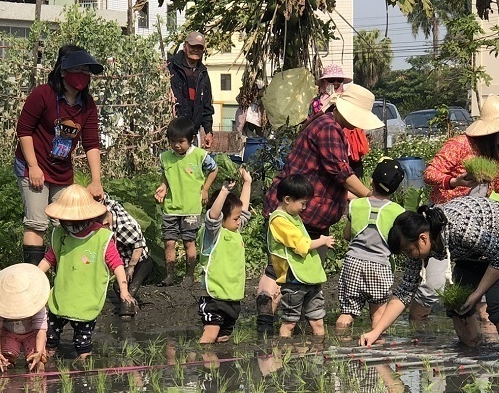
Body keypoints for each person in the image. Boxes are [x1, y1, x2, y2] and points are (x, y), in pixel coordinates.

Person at [260, 83, 381, 331]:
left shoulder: (330, 125)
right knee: (281, 269)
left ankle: (288, 325)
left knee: (299, 270)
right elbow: (340, 171)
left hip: (308, 213)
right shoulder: (328, 127)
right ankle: (266, 326)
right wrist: (372, 197)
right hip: (295, 209)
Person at [361, 199, 499, 349]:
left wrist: (477, 293)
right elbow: (405, 291)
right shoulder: (420, 246)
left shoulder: (459, 227)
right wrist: (376, 332)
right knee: (458, 304)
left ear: (423, 238)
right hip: (471, 255)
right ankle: (474, 350)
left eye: (409, 251)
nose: (410, 256)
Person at [15, 46, 106, 265]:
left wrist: (96, 181)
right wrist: (34, 167)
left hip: (61, 169)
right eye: (77, 69)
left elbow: (91, 143)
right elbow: (24, 131)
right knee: (37, 222)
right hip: (33, 165)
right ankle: (33, 280)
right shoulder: (43, 95)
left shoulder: (87, 104)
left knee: (66, 221)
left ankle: (61, 276)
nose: (82, 76)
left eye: (86, 71)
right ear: (63, 71)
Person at [37, 185, 135, 361]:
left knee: (82, 341)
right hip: (62, 296)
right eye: (64, 221)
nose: (68, 225)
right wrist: (33, 277)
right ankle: (48, 360)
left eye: (72, 222)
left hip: (86, 299)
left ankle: (84, 369)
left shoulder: (101, 238)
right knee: (50, 337)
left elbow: (117, 265)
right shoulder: (61, 234)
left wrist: (124, 290)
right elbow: (49, 259)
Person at [335, 158, 405, 338]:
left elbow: (347, 235)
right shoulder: (398, 211)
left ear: (371, 181)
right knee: (378, 313)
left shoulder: (355, 205)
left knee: (347, 312)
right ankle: (376, 352)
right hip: (380, 266)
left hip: (353, 263)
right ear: (395, 189)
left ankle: (341, 347)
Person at [425, 95, 499, 204]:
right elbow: (430, 173)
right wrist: (454, 182)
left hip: (475, 209)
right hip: (445, 208)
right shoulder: (460, 144)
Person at [268, 174, 335, 339]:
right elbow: (300, 245)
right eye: (302, 203)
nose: (304, 208)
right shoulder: (278, 220)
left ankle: (319, 358)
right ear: (288, 199)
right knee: (290, 321)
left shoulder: (293, 216)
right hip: (294, 280)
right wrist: (322, 240)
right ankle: (284, 353)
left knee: (318, 320)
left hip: (309, 277)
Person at [155, 117, 218, 285]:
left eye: (181, 141)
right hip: (171, 208)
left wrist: (205, 189)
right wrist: (163, 186)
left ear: (190, 140)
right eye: (173, 141)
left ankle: (189, 275)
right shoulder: (165, 157)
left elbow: (214, 170)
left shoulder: (200, 156)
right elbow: (166, 176)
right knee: (169, 242)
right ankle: (170, 275)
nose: (176, 145)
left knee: (189, 241)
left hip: (191, 208)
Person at [198, 167, 253, 344]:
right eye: (235, 219)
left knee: (223, 337)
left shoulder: (235, 230)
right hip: (214, 296)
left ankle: (221, 369)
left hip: (232, 296)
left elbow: (242, 211)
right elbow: (213, 217)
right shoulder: (214, 233)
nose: (239, 221)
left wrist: (247, 183)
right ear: (223, 218)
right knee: (210, 334)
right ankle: (199, 366)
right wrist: (224, 191)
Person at [0, 263, 50, 372]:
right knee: (4, 364)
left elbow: (41, 329)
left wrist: (38, 353)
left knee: (38, 365)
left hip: (33, 333)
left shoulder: (36, 303)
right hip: (9, 333)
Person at [311, 64, 369, 175]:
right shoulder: (317, 102)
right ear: (325, 82)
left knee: (354, 174)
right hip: (329, 144)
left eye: (339, 79)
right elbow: (314, 123)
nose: (336, 83)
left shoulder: (348, 99)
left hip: (350, 147)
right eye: (332, 79)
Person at [104, 195, 153, 317]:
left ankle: (128, 314)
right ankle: (133, 305)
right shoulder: (110, 207)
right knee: (117, 286)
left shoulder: (125, 227)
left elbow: (138, 246)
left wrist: (131, 267)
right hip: (124, 259)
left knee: (128, 294)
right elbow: (105, 197)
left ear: (106, 222)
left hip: (141, 260)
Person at [167, 32, 214, 142]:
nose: (196, 50)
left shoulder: (203, 73)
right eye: (193, 46)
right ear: (185, 46)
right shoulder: (171, 67)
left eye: (199, 47)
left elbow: (207, 105)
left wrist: (209, 131)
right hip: (173, 132)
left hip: (192, 133)